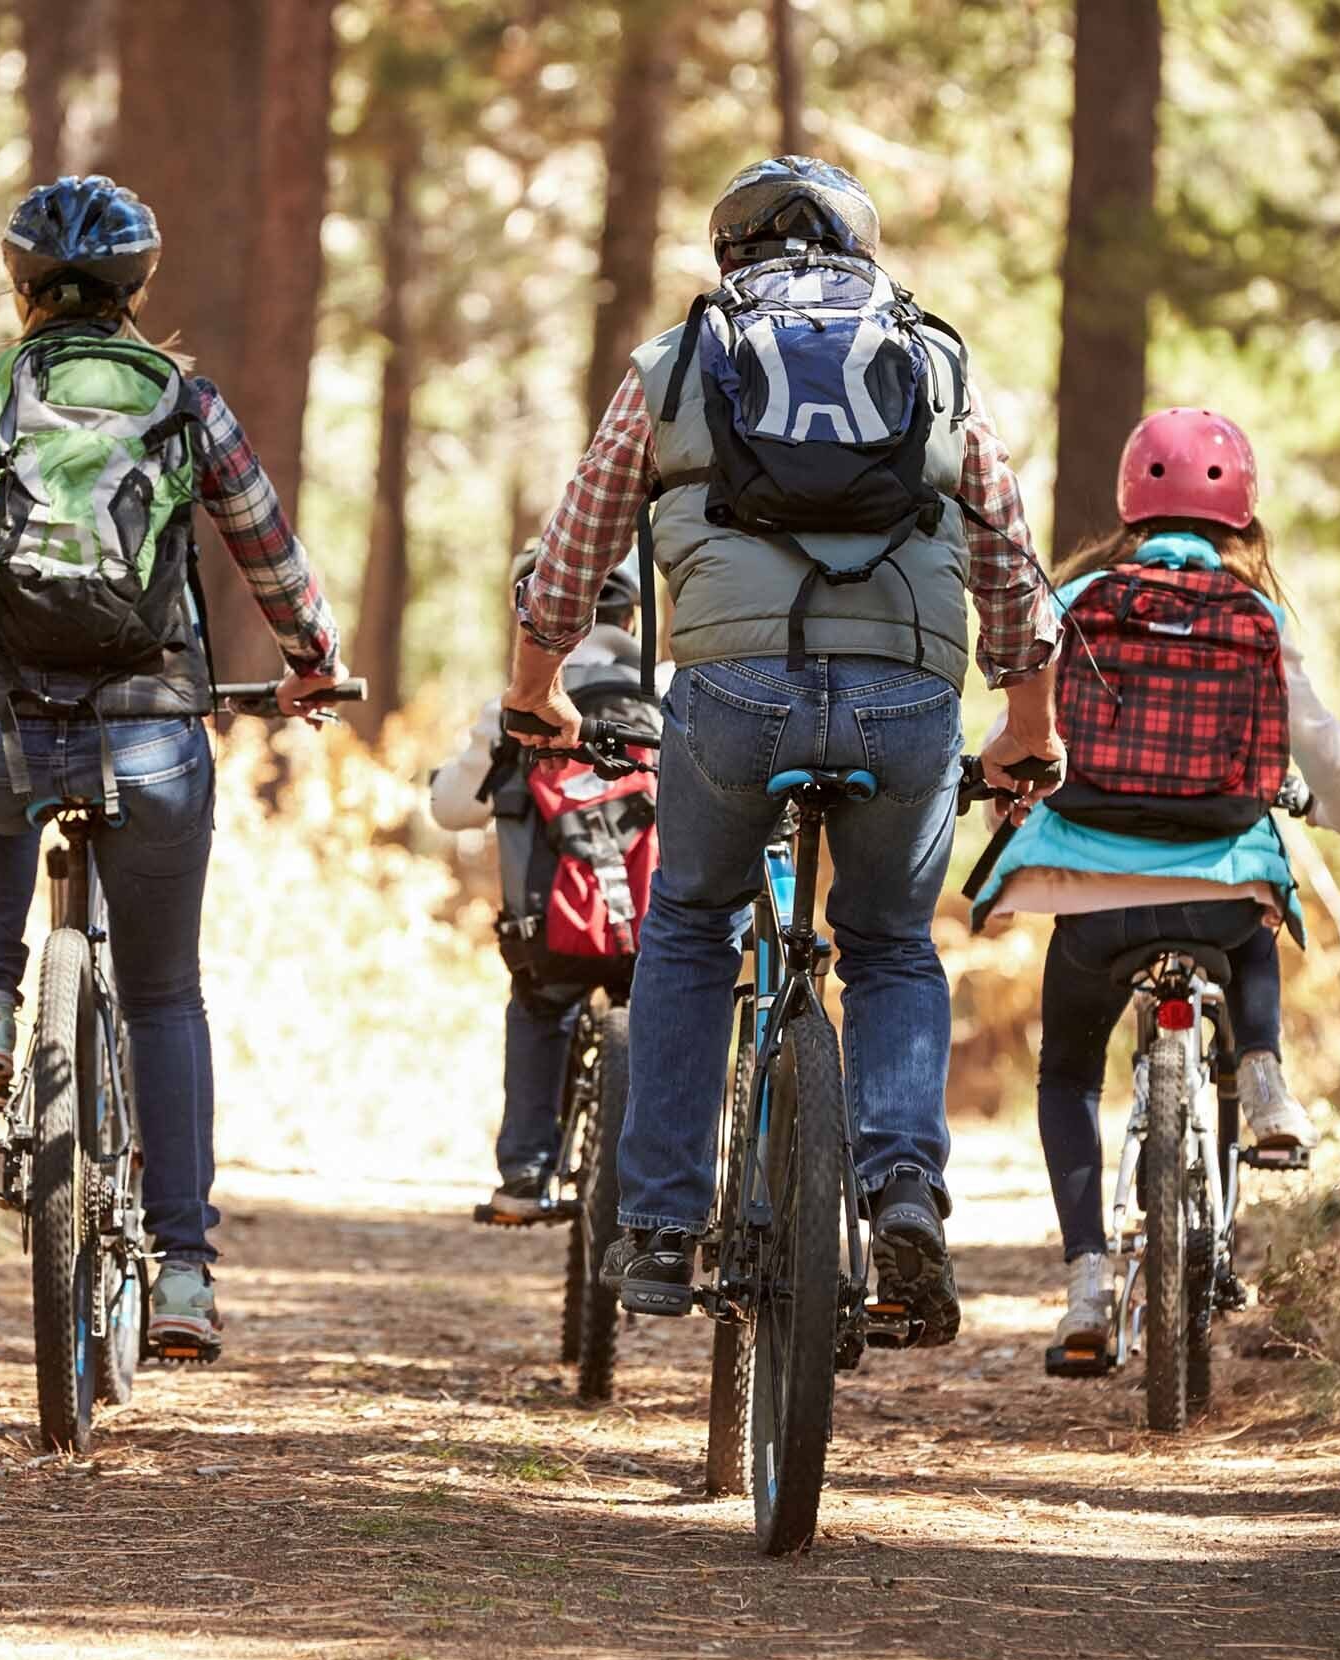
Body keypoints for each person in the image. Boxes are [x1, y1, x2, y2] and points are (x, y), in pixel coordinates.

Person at [505, 156, 1064, 1345]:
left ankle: (658, 1226)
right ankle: (904, 1185)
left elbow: (573, 553)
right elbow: (1009, 553)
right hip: (908, 698)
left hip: (733, 694)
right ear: (863, 252)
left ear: (729, 255)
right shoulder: (936, 359)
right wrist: (1029, 720)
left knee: (691, 922)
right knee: (893, 944)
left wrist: (534, 692)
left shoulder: (678, 361)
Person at [0, 175, 347, 1357]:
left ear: (20, 288)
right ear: (137, 291)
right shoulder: (188, 405)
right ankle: (180, 1272)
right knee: (166, 993)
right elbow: (268, 552)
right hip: (152, 731)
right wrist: (312, 661)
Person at [965, 408, 1340, 1368]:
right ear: (1243, 514)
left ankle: (1086, 1287)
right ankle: (1263, 1074)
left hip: (1093, 888)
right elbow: (1329, 756)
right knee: (1255, 926)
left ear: (1129, 505)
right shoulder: (1257, 616)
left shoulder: (1080, 599)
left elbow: (1027, 729)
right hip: (1219, 882)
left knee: (1067, 1073)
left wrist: (995, 794)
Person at [428, 546, 658, 1221]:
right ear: (631, 616)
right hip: (659, 926)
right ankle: (672, 1191)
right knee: (673, 1013)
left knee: (539, 1004)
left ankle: (526, 1175)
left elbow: (451, 809)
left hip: (551, 931)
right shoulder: (670, 688)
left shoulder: (515, 707)